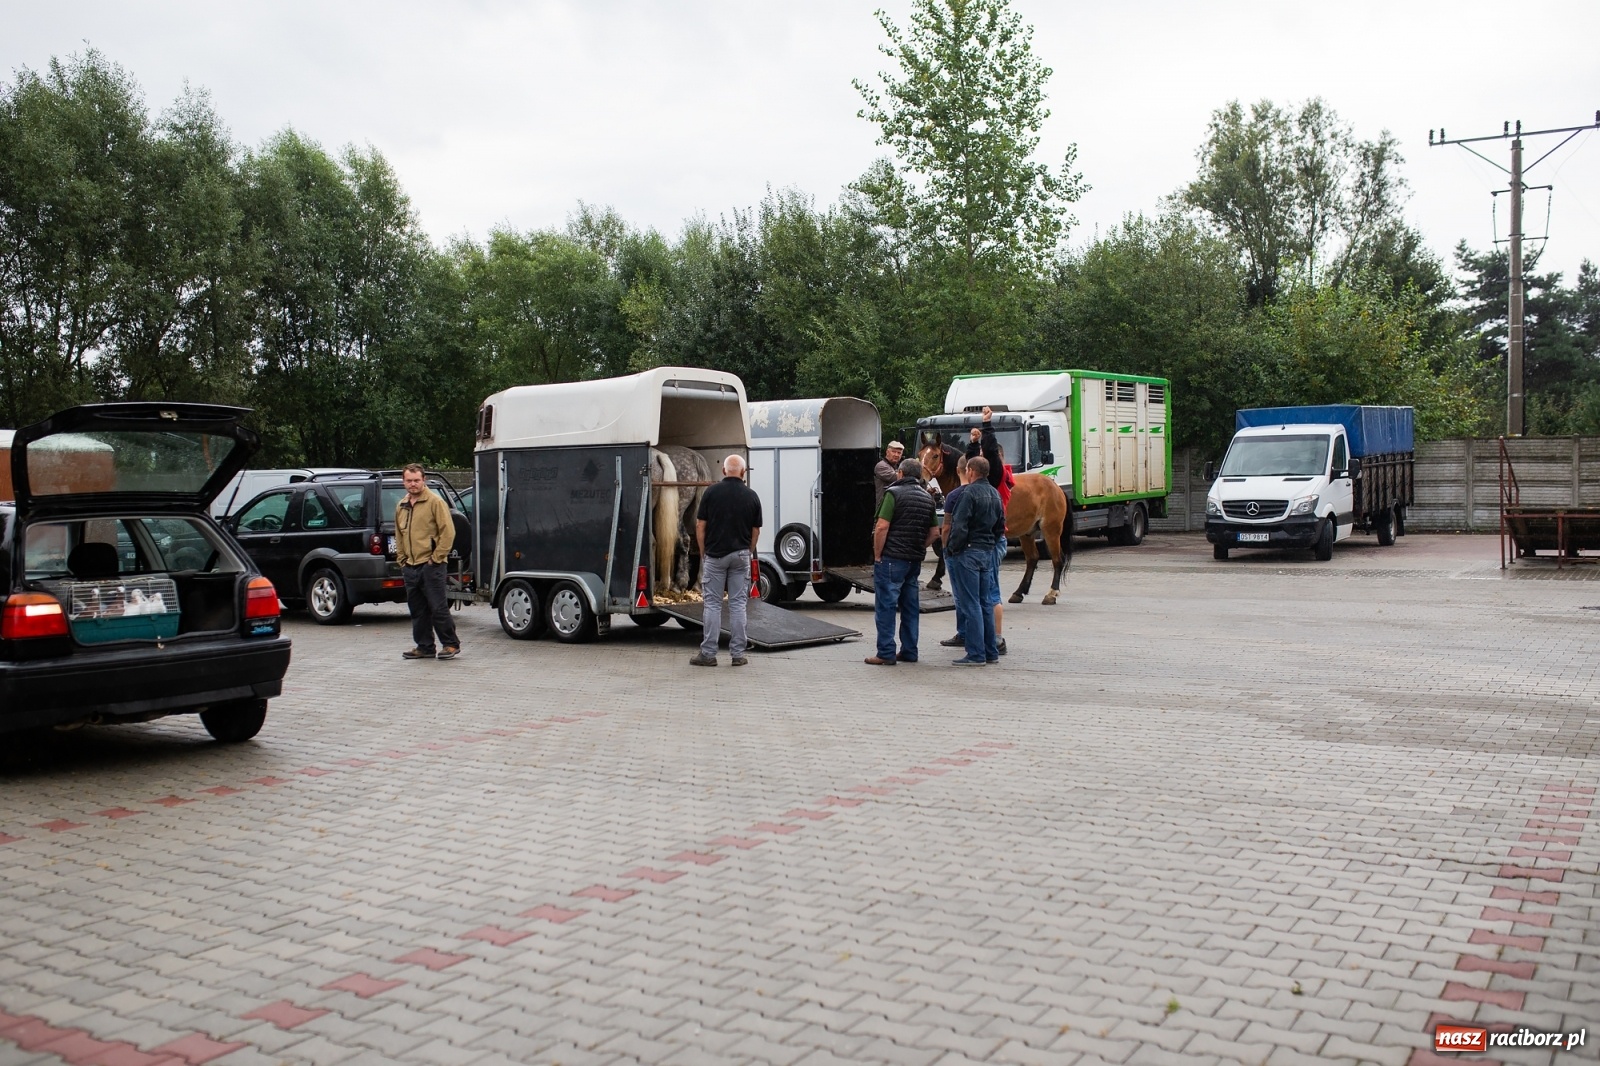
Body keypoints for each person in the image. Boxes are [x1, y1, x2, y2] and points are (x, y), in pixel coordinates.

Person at [690, 454, 763, 667]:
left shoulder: (711, 493)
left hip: (715, 556)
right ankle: (738, 654)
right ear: (743, 472)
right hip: (740, 556)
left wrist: (703, 552)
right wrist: (748, 551)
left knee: (713, 605)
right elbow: (756, 530)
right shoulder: (752, 496)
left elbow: (700, 525)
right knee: (738, 605)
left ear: (724, 471)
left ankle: (708, 654)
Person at [865, 457, 938, 666]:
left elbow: (882, 527)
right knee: (910, 607)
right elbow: (935, 532)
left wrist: (877, 554)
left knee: (886, 607)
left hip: (891, 559)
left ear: (901, 473)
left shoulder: (893, 493)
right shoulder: (927, 498)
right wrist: (919, 547)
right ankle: (909, 651)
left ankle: (886, 653)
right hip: (913, 561)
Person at [395, 464, 460, 660]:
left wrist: (436, 559)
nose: (413, 484)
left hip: (431, 565)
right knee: (417, 610)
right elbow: (399, 535)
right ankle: (424, 646)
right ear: (403, 482)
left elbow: (448, 533)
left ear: (423, 480)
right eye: (409, 481)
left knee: (438, 607)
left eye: (416, 480)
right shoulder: (401, 505)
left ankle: (450, 644)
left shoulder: (435, 502)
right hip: (410, 566)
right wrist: (402, 559)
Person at [945, 456, 1005, 666]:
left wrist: (953, 549)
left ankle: (976, 654)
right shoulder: (995, 493)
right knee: (985, 602)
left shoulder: (968, 493)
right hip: (987, 552)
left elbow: (959, 525)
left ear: (970, 470)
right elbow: (1000, 526)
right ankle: (991, 652)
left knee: (970, 604)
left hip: (968, 552)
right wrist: (990, 544)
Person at [964, 407, 1013, 654]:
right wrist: (974, 444)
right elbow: (974, 465)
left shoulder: (996, 478)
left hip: (991, 542)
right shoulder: (984, 479)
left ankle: (997, 639)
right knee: (984, 592)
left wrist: (987, 426)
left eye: (984, 454)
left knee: (991, 592)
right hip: (986, 541)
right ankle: (984, 637)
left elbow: (989, 456)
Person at [873, 440, 906, 507]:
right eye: (893, 452)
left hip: (897, 505)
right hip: (884, 506)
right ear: (887, 452)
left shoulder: (899, 466)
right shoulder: (881, 466)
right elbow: (897, 477)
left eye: (899, 453)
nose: (896, 455)